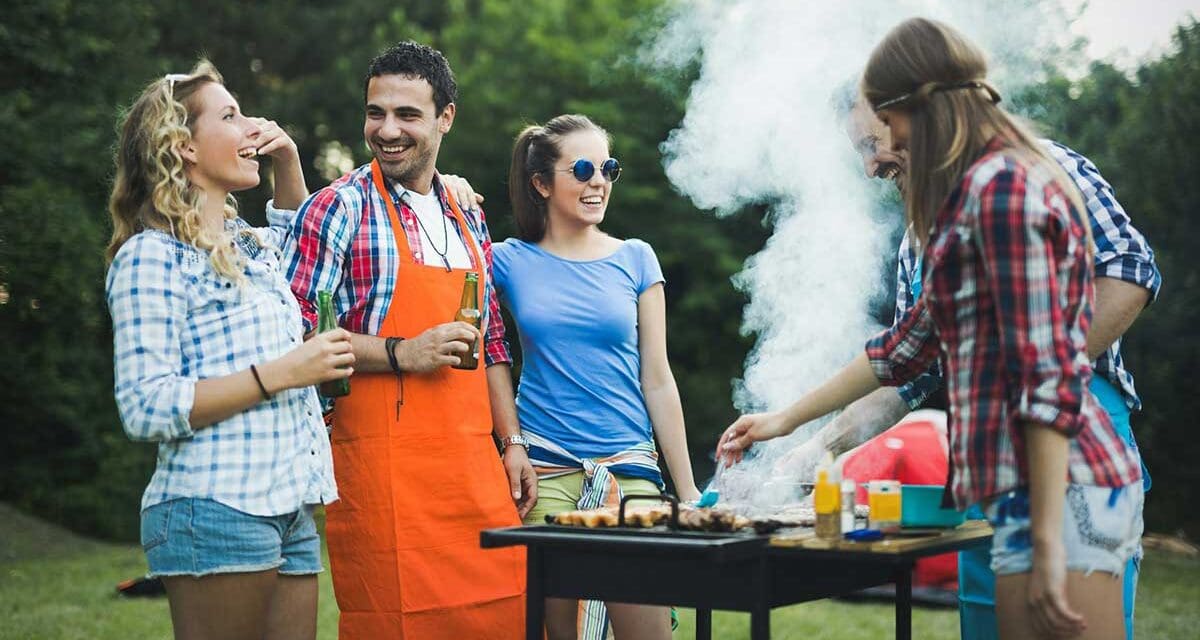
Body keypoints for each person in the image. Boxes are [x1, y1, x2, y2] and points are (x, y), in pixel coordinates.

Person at [721, 18, 1144, 640]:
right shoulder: (957, 208)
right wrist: (789, 424)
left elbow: (1045, 371)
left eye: (883, 131)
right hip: (1010, 475)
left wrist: (1048, 537)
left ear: (916, 107)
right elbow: (908, 349)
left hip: (1062, 477)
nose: (876, 158)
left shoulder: (1002, 189)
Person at [282, 41, 532, 639]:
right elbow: (291, 334)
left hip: (473, 468)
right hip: (382, 473)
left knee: (507, 611)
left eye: (407, 115)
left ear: (445, 118)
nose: (387, 130)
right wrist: (400, 351)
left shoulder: (467, 213)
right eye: (376, 113)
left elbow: (491, 340)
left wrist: (512, 442)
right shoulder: (336, 208)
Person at [105, 60, 354, 640]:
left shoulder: (251, 247)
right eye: (231, 115)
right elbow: (145, 407)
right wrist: (283, 372)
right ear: (184, 147)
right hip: (214, 506)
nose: (251, 128)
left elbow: (305, 240)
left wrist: (289, 159)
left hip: (290, 507)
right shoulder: (151, 257)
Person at [496, 114, 700, 640]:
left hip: (631, 473)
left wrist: (689, 490)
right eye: (583, 169)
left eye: (607, 168)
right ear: (541, 183)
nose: (599, 181)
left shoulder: (636, 258)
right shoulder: (506, 261)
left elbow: (658, 378)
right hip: (546, 476)